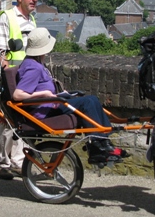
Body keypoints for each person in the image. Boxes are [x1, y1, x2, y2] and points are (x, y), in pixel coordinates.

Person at [12, 27, 127, 163]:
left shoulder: (35, 62)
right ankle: (97, 146)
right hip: (44, 111)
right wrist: (45, 93)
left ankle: (104, 143)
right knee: (88, 102)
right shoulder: (33, 67)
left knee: (92, 100)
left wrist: (60, 94)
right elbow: (17, 95)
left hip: (50, 104)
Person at [0, 0, 40, 180]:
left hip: (27, 78)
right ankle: (3, 163)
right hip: (11, 77)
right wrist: (7, 79)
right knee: (8, 122)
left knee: (24, 120)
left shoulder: (32, 20)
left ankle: (19, 162)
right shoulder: (7, 17)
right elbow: (0, 53)